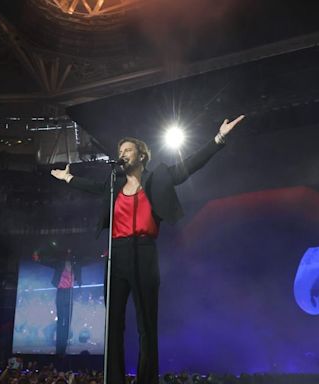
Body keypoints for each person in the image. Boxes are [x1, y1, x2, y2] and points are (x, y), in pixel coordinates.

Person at [50, 115, 245, 384]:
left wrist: (218, 138)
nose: (122, 154)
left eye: (127, 150)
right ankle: (115, 379)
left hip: (143, 251)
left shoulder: (158, 177)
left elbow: (189, 166)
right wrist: (68, 177)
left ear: (141, 156)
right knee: (114, 323)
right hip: (116, 253)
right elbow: (93, 187)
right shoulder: (113, 185)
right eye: (120, 151)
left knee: (146, 324)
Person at [33, 247, 82, 356]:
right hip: (61, 292)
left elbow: (89, 260)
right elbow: (48, 262)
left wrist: (103, 255)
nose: (69, 256)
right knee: (61, 320)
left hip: (70, 292)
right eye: (67, 254)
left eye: (71, 254)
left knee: (68, 320)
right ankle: (59, 348)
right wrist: (39, 259)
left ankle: (64, 346)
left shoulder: (76, 265)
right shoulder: (60, 264)